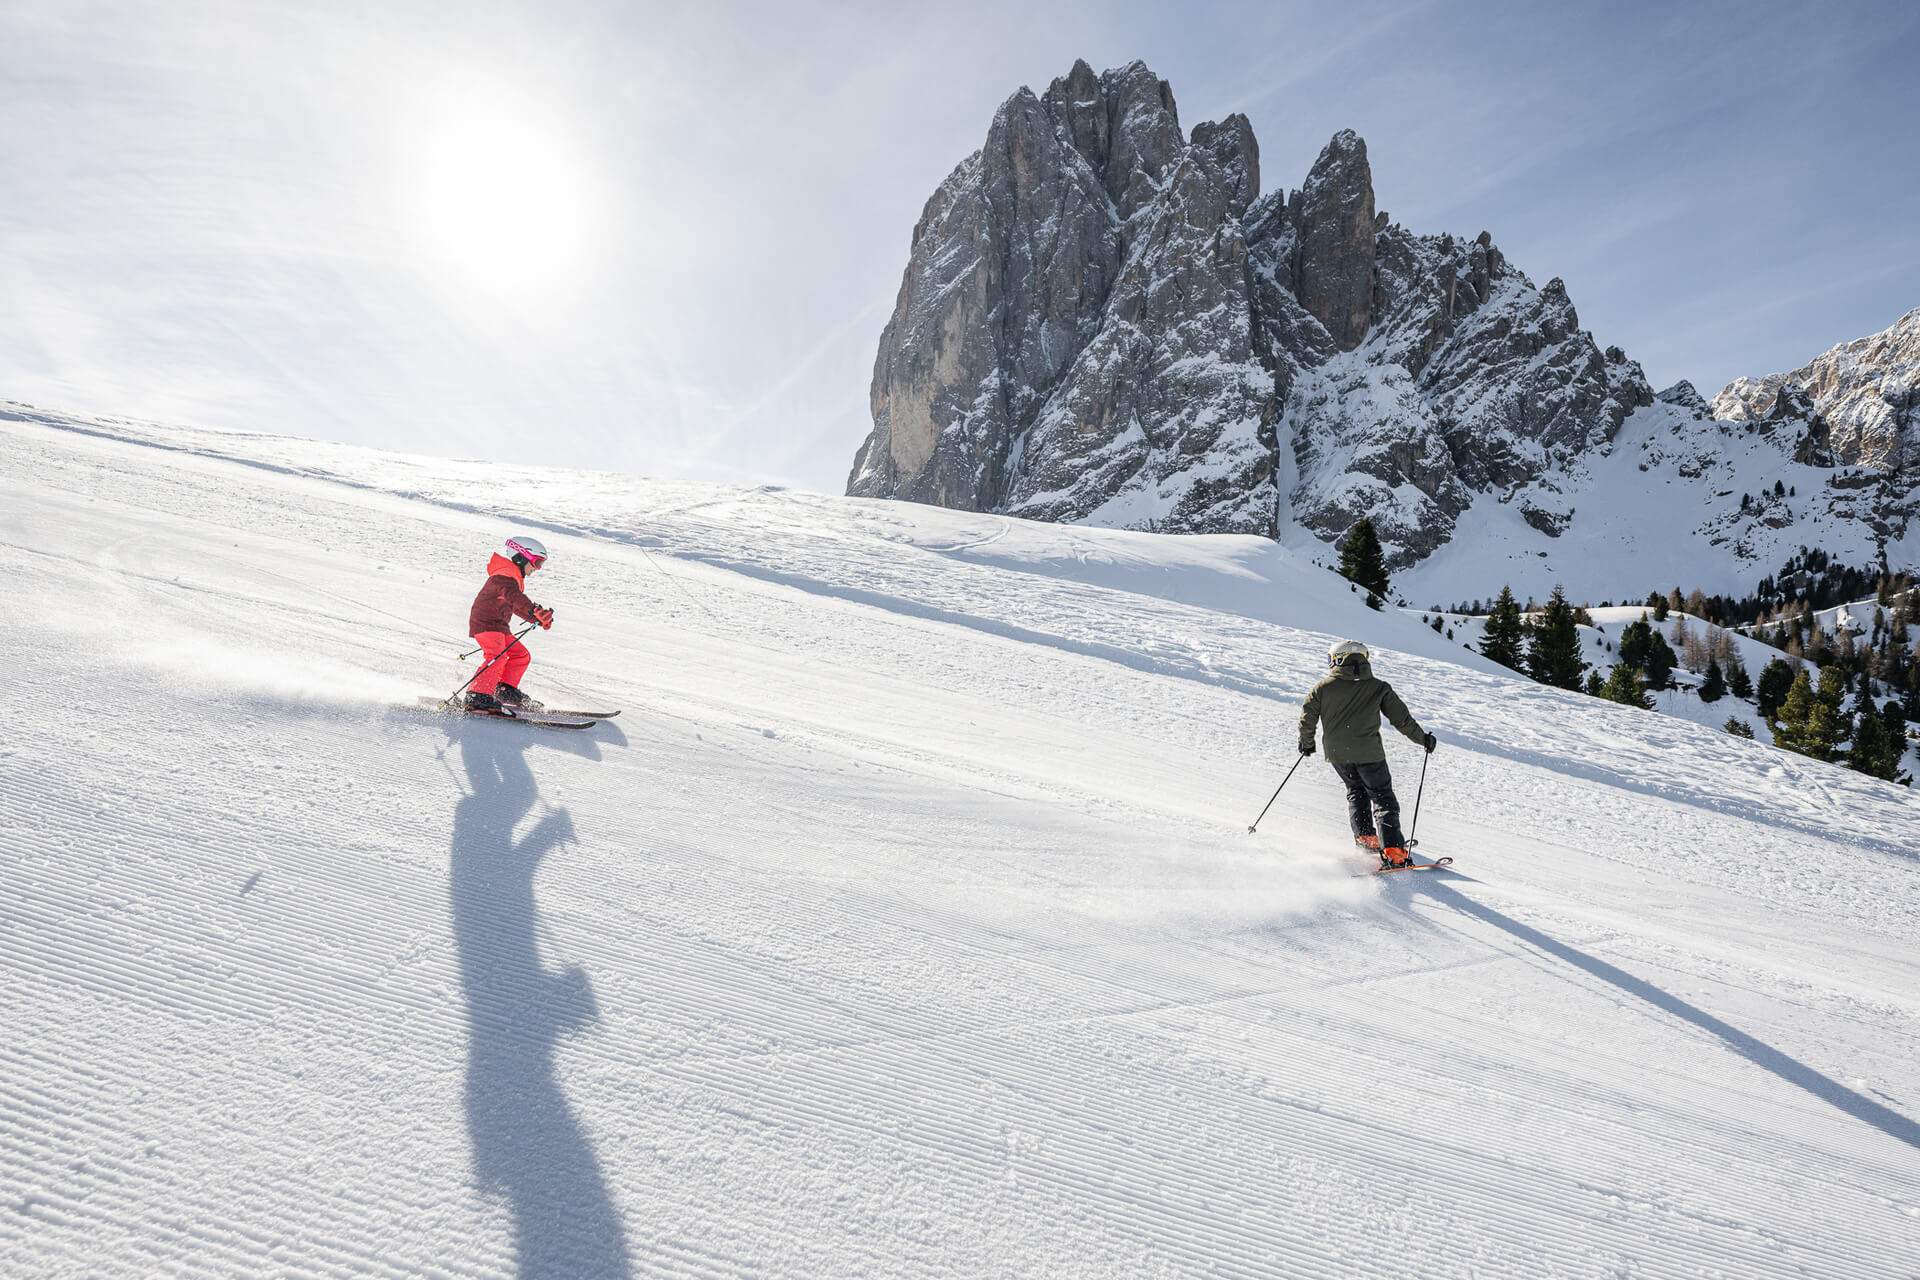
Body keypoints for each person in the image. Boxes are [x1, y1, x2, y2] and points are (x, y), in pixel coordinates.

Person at [1298, 640, 1436, 868]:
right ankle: (1393, 851)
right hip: (1369, 754)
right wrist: (1423, 739)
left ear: (1338, 659)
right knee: (1382, 798)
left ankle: (1367, 838)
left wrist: (1307, 743)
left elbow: (1307, 717)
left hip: (1337, 754)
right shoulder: (1378, 687)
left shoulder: (1322, 687)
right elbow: (1402, 720)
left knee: (1356, 791)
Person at [465, 535, 555, 713]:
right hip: (486, 623)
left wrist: (536, 618)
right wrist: (533, 610)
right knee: (497, 655)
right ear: (521, 557)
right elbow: (515, 598)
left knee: (520, 655)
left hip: (498, 626)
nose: (537, 569)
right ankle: (477, 694)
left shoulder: (512, 578)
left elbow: (515, 604)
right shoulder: (504, 576)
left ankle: (504, 690)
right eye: (536, 563)